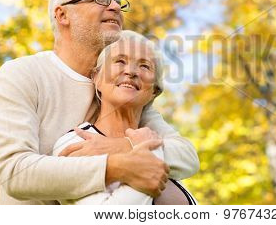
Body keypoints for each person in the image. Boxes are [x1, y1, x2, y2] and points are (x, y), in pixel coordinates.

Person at [0, 0, 199, 204]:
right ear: (62, 14)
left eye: (117, 1)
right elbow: (15, 173)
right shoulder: (22, 74)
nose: (115, 7)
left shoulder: (121, 91)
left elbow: (186, 156)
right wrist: (115, 166)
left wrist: (120, 146)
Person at [53, 30, 197, 204]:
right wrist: (148, 155)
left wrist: (136, 146)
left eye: (144, 66)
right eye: (120, 61)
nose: (131, 71)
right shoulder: (76, 142)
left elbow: (190, 160)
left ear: (154, 92)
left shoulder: (155, 141)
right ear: (96, 78)